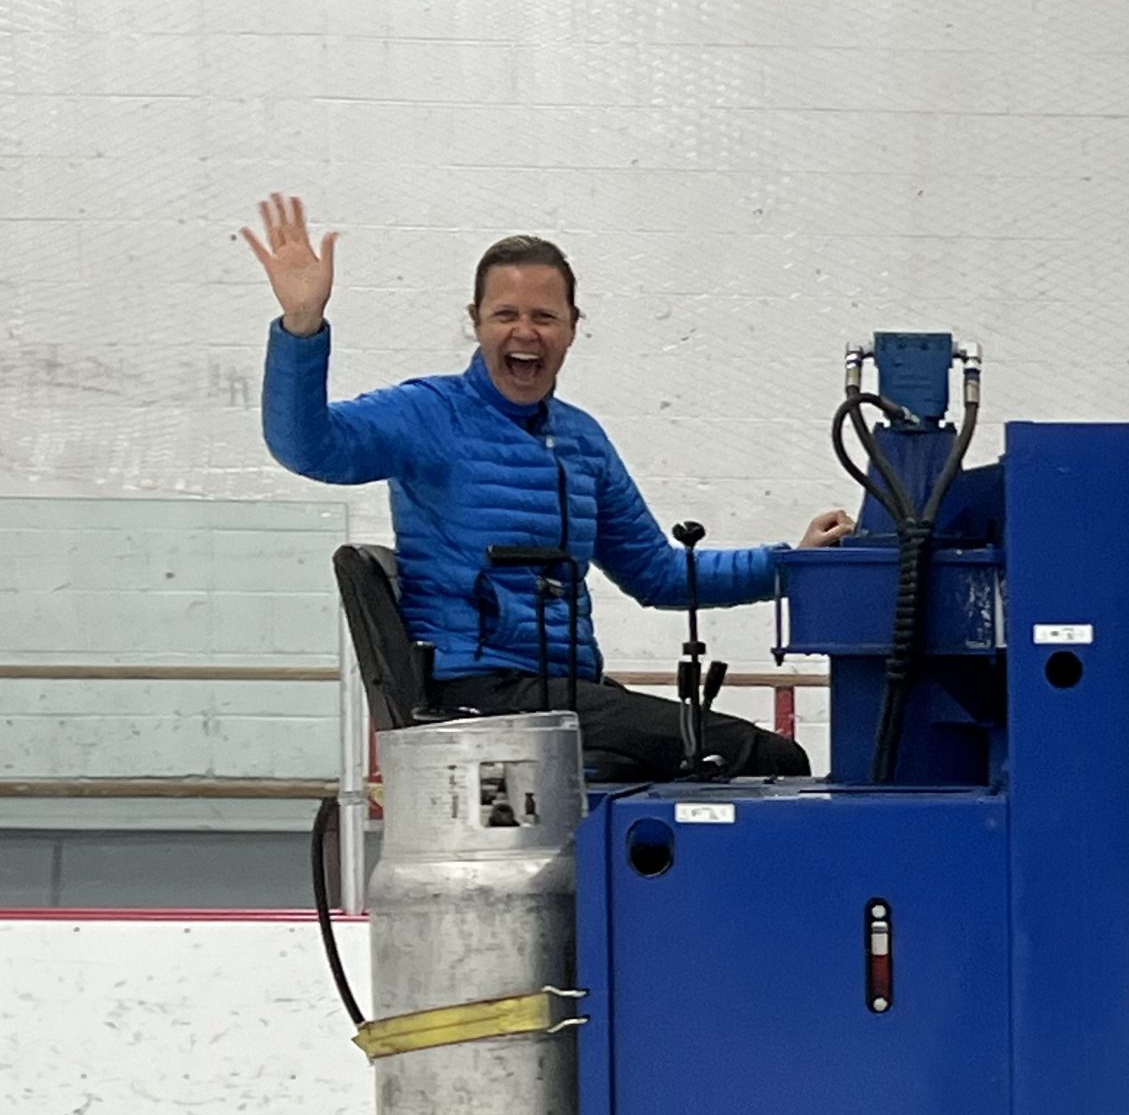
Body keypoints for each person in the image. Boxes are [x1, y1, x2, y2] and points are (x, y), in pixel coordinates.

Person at [244, 194, 848, 777]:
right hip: (478, 690)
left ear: (573, 327)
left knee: (714, 757)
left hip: (564, 690)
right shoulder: (426, 414)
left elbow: (658, 574)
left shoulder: (583, 440)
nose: (525, 332)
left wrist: (791, 565)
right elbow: (307, 447)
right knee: (767, 758)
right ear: (475, 322)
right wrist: (302, 325)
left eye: (543, 316)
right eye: (505, 314)